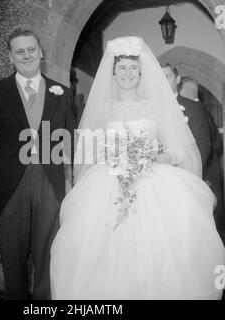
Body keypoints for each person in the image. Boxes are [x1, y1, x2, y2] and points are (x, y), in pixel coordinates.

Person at [50, 37, 225, 299]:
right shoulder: (101, 110)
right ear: (112, 72)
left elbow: (180, 148)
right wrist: (108, 157)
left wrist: (158, 157)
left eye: (133, 68)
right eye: (122, 68)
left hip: (154, 181)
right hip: (108, 181)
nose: (128, 73)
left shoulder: (156, 108)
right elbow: (88, 150)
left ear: (141, 71)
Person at [0, 26, 76, 300]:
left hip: (50, 185)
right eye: (20, 51)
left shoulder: (62, 93)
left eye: (31, 49)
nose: (26, 55)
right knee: (13, 261)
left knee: (48, 257)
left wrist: (73, 181)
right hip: (10, 187)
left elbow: (70, 143)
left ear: (40, 52)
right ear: (10, 57)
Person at [179, 76, 225, 244]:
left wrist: (199, 172)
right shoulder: (203, 109)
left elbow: (209, 144)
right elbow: (219, 143)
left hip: (205, 173)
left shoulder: (197, 110)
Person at [162, 64, 211, 171]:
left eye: (167, 77)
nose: (162, 81)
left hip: (185, 172)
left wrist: (191, 171)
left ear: (177, 79)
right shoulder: (149, 108)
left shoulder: (193, 107)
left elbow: (203, 144)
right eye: (159, 77)